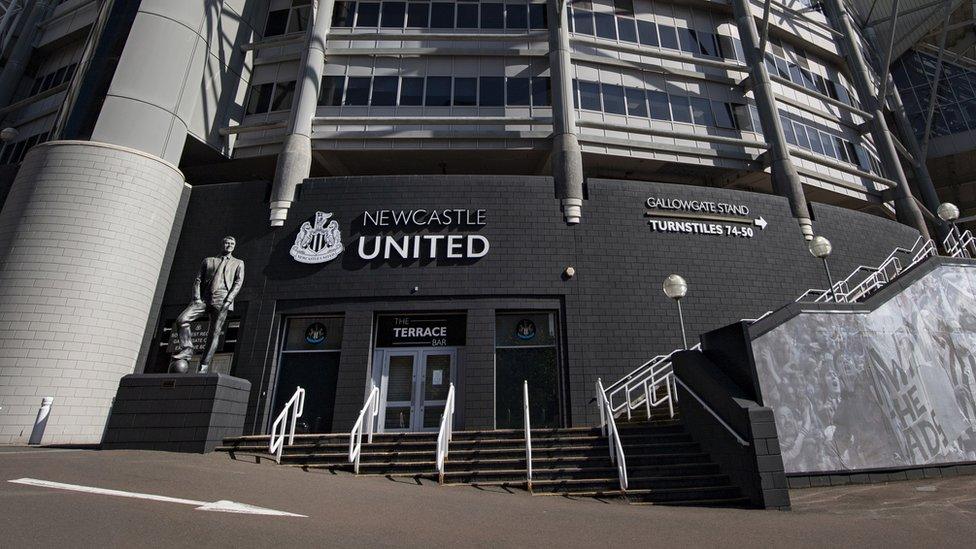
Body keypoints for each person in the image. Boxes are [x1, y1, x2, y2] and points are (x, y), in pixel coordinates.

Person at [170, 236, 245, 373]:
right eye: (227, 243)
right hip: (204, 299)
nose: (229, 245)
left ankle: (203, 366)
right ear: (222, 244)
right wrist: (197, 298)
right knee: (182, 319)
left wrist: (229, 300)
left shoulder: (238, 263)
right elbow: (198, 280)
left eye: (232, 243)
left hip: (222, 299)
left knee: (214, 333)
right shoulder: (209, 261)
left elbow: (238, 283)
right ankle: (187, 349)